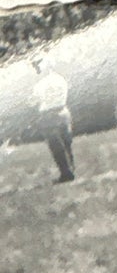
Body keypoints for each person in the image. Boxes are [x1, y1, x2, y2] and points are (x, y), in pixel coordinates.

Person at [31, 55, 74, 183]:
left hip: (49, 115)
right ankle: (71, 168)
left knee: (56, 147)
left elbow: (34, 101)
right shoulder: (61, 79)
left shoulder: (40, 84)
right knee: (67, 144)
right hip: (64, 111)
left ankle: (66, 173)